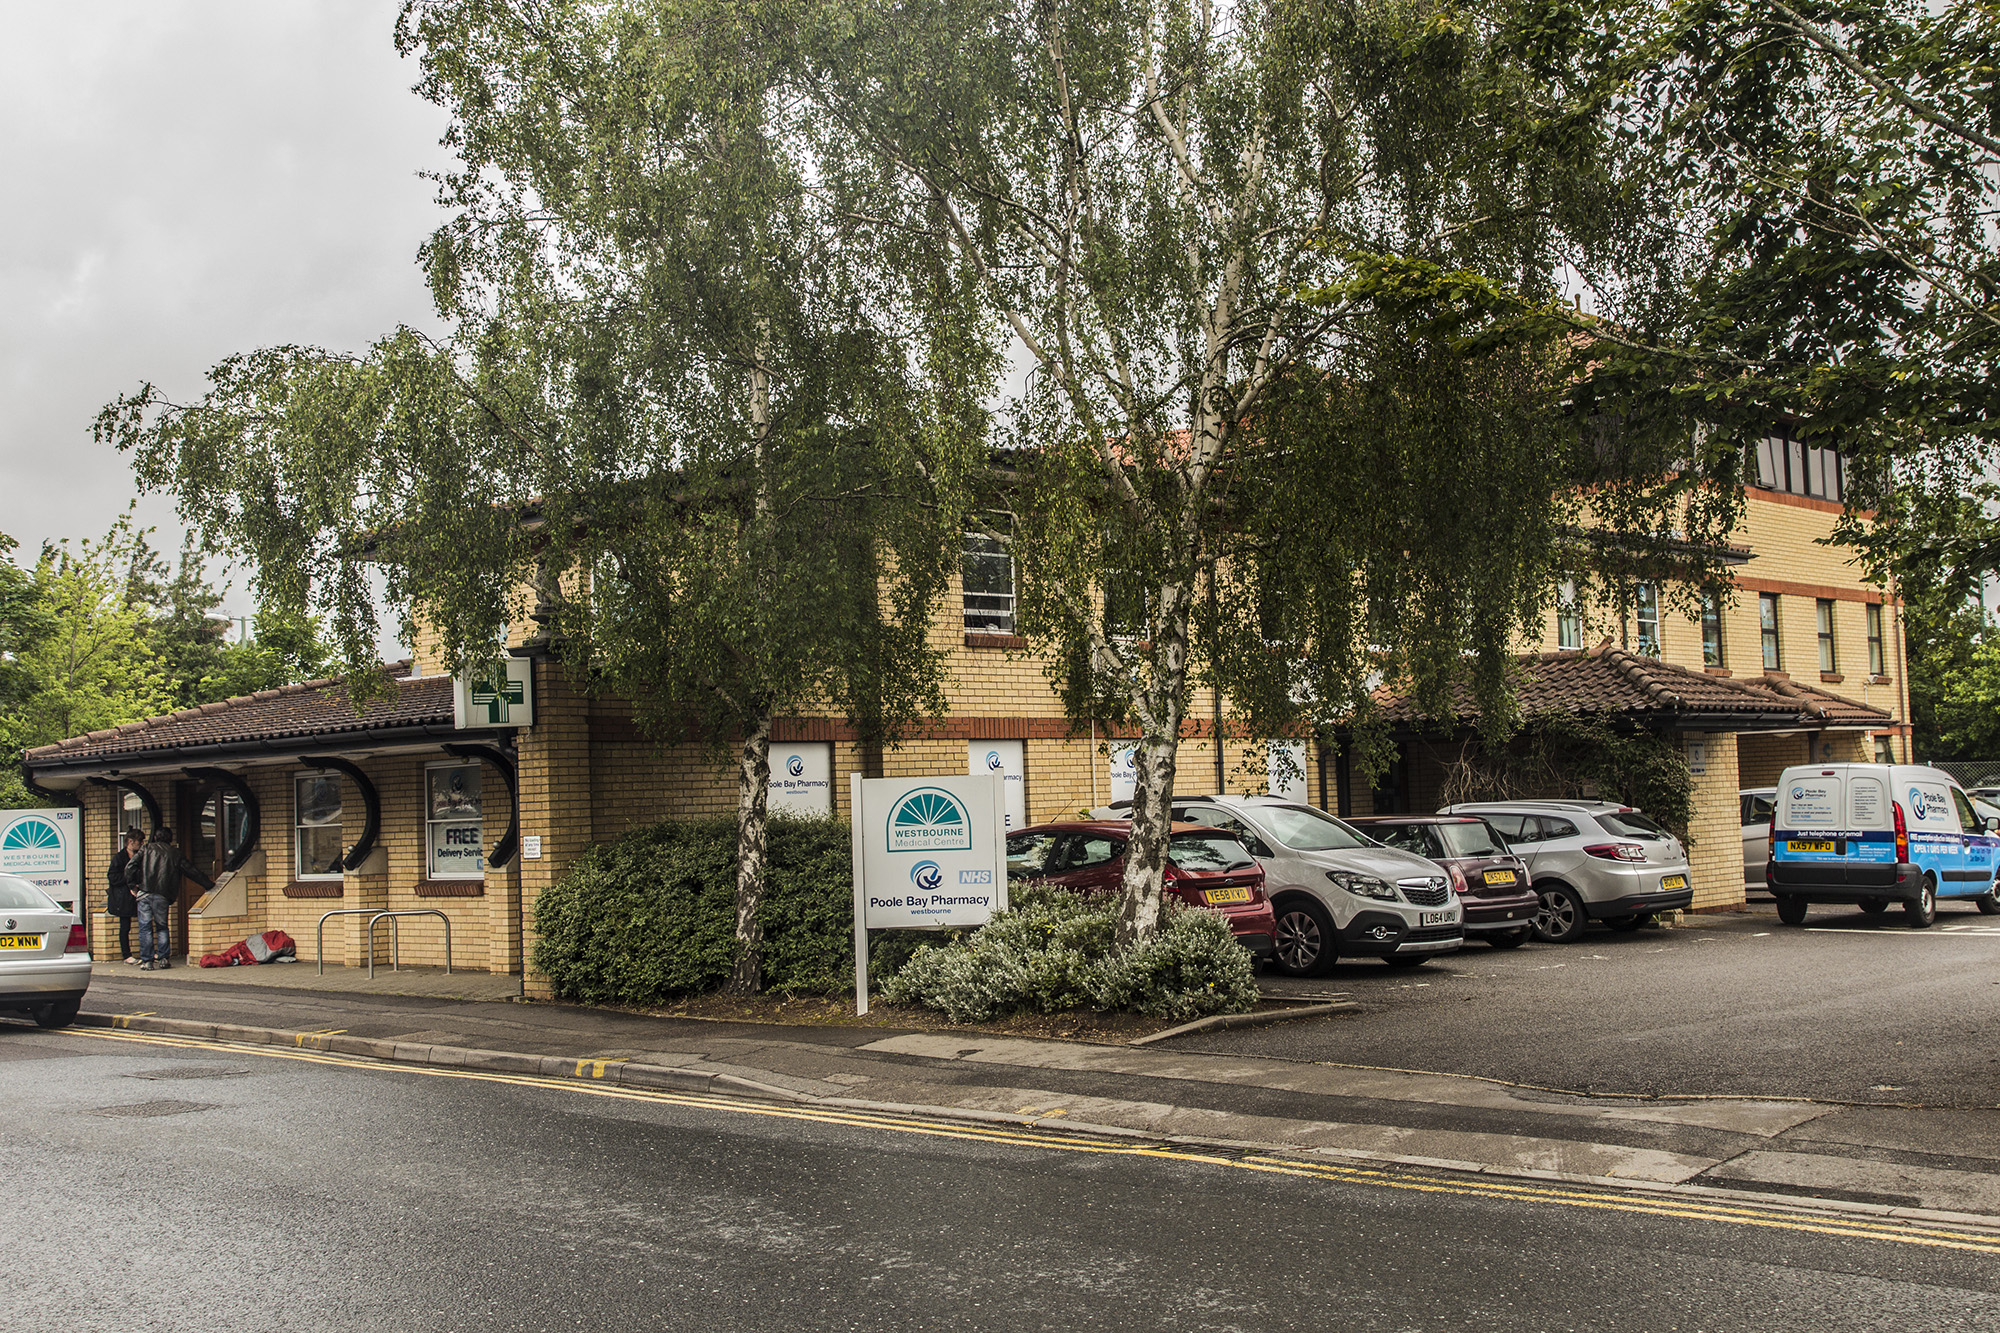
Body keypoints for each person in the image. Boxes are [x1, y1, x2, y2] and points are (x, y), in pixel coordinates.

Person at [132, 826, 212, 971]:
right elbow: (191, 871)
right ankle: (163, 958)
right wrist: (208, 884)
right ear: (170, 840)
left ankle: (147, 961)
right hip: (162, 894)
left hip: (144, 892)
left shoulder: (146, 848)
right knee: (162, 926)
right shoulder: (175, 853)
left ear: (155, 838)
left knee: (145, 928)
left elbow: (130, 866)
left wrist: (133, 886)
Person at [106, 827, 144, 964]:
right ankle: (126, 955)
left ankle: (147, 953)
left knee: (144, 924)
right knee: (125, 926)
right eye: (139, 841)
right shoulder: (119, 858)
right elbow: (112, 877)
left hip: (138, 895)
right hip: (123, 897)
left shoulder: (140, 856)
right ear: (130, 841)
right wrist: (129, 880)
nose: (141, 844)